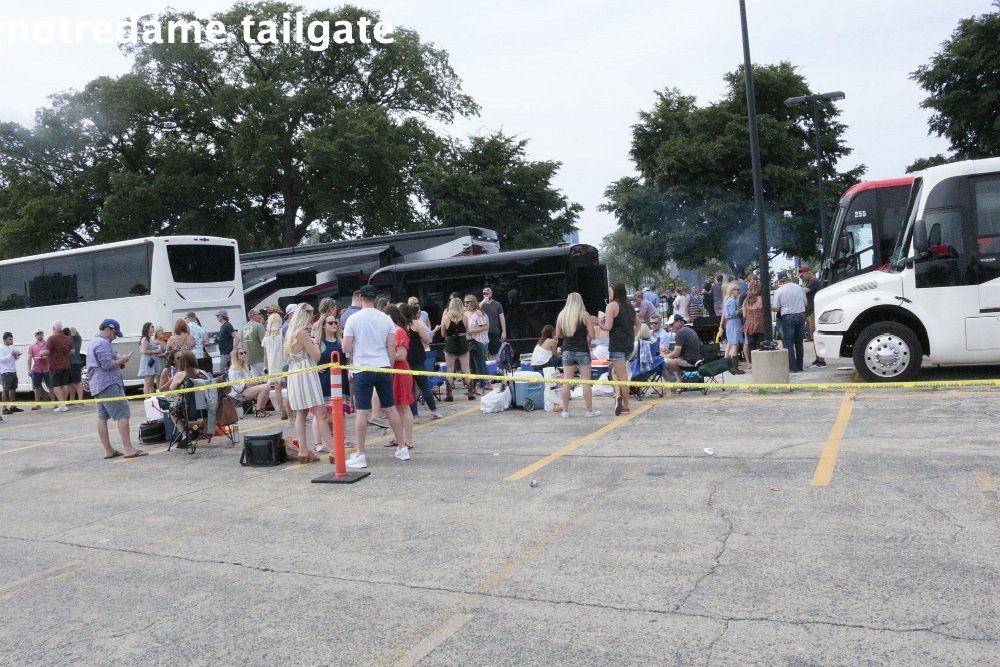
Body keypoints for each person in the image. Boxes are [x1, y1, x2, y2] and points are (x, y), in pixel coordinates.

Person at [343, 285, 408, 468]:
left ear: (361, 298)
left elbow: (346, 347)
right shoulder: (386, 319)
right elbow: (391, 347)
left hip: (362, 368)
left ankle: (361, 455)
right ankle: (402, 448)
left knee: (362, 412)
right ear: (375, 298)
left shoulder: (353, 319)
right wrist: (389, 367)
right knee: (391, 408)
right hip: (383, 366)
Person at [87, 319, 144, 459]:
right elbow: (107, 365)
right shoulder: (102, 343)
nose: (115, 337)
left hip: (97, 385)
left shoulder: (94, 341)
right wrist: (123, 360)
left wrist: (119, 362)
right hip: (108, 384)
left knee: (102, 417)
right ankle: (128, 449)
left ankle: (109, 450)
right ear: (109, 329)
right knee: (123, 414)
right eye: (115, 334)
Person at [284, 304, 332, 464]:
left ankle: (303, 451)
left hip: (295, 373)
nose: (313, 318)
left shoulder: (290, 332)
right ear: (305, 317)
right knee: (320, 412)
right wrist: (316, 343)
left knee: (301, 413)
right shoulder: (302, 333)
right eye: (311, 315)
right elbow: (317, 356)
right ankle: (333, 450)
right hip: (306, 372)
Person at [554, 292, 600, 418]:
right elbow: (592, 334)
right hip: (582, 350)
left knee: (566, 381)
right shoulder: (585, 315)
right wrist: (588, 340)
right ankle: (589, 411)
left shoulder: (562, 315)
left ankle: (565, 411)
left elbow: (558, 335)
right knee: (585, 381)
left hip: (567, 350)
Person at [600, 282, 638, 416]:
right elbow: (638, 324)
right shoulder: (630, 307)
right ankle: (617, 396)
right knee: (616, 372)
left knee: (622, 375)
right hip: (628, 344)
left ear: (615, 292)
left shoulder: (611, 306)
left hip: (617, 345)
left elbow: (608, 327)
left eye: (610, 291)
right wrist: (633, 336)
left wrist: (600, 323)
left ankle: (626, 405)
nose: (609, 294)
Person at [313, 313, 348, 451]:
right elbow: (311, 359)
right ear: (323, 326)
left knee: (341, 411)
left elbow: (348, 357)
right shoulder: (318, 342)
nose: (334, 325)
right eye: (330, 323)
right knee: (321, 414)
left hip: (341, 380)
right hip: (325, 382)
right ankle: (318, 443)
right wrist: (315, 369)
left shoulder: (340, 340)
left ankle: (340, 438)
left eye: (335, 322)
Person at [401, 303, 441, 420]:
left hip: (406, 359)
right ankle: (434, 411)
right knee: (424, 386)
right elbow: (427, 338)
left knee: (410, 389)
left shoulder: (399, 327)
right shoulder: (416, 324)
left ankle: (414, 415)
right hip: (417, 358)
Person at [384, 305, 416, 450]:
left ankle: (408, 439)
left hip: (400, 370)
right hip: (393, 370)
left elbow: (402, 355)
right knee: (395, 406)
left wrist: (385, 355)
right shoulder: (393, 332)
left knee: (403, 406)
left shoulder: (399, 332)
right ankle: (399, 437)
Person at [772, 271, 807, 372]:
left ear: (779, 280)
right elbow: (805, 303)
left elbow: (776, 308)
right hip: (801, 315)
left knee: (789, 343)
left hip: (788, 317)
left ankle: (792, 367)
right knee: (799, 343)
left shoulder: (779, 291)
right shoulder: (799, 288)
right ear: (788, 278)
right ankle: (800, 367)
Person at [441, 296, 474, 401]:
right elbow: (467, 331)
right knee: (466, 369)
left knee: (450, 370)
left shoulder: (446, 317)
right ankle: (470, 393)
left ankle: (449, 394)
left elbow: (443, 334)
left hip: (450, 343)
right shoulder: (464, 317)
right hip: (462, 342)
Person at [228, 346, 272, 417]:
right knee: (265, 387)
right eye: (241, 353)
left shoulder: (244, 366)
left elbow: (248, 380)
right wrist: (258, 382)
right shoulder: (234, 369)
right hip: (239, 392)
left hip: (247, 389)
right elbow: (242, 384)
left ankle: (262, 409)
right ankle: (258, 411)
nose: (244, 354)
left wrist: (257, 381)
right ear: (236, 356)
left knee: (268, 386)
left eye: (245, 352)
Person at [40, 321, 73, 411]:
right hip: (66, 365)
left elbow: (47, 351)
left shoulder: (52, 338)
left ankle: (62, 405)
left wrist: (41, 353)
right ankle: (64, 405)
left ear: (53, 328)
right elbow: (73, 350)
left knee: (56, 386)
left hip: (55, 365)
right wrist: (64, 354)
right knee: (65, 385)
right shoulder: (67, 339)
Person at [262, 312, 289, 420]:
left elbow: (265, 355)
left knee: (277, 389)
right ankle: (292, 409)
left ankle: (282, 410)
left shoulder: (266, 337)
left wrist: (266, 367)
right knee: (289, 388)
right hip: (283, 363)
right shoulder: (281, 335)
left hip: (273, 365)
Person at [799, 265, 827, 367]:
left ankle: (821, 361)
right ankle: (818, 359)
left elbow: (802, 291)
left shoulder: (814, 282)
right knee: (814, 336)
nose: (802, 278)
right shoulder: (810, 282)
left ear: (808, 273)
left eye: (802, 275)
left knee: (816, 336)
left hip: (814, 311)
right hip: (811, 311)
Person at [663, 314, 701, 384]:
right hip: (697, 360)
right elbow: (681, 352)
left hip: (690, 362)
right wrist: (670, 352)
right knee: (670, 359)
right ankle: (679, 382)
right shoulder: (688, 329)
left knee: (664, 362)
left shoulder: (680, 333)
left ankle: (672, 386)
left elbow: (676, 353)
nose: (671, 327)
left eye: (672, 324)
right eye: (670, 325)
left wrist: (664, 356)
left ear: (679, 321)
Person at [464, 295, 490, 393]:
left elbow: (485, 326)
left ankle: (481, 386)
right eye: (465, 302)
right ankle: (473, 386)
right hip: (468, 341)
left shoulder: (478, 312)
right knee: (471, 366)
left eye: (467, 302)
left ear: (472, 302)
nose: (465, 304)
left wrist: (473, 330)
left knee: (479, 364)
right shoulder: (465, 313)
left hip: (477, 341)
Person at [721, 283, 745, 374]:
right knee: (734, 345)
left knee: (732, 344)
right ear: (732, 291)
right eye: (737, 290)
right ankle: (734, 367)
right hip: (734, 322)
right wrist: (739, 310)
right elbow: (732, 313)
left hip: (731, 323)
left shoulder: (728, 300)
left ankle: (732, 366)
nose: (739, 291)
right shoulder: (732, 301)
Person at [741, 280, 765, 367]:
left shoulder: (746, 301)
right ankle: (763, 362)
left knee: (751, 344)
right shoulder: (762, 299)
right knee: (762, 343)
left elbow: (744, 315)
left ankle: (753, 362)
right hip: (761, 325)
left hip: (749, 325)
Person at [138, 322, 165, 395]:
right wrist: (155, 351)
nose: (153, 328)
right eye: (152, 327)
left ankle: (152, 399)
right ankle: (147, 399)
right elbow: (144, 350)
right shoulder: (145, 338)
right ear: (148, 328)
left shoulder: (150, 338)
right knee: (148, 382)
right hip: (148, 362)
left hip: (152, 362)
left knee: (152, 382)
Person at [480, 287, 507, 356]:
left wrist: (504, 331)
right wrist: (483, 302)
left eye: (487, 293)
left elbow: (502, 318)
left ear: (491, 294)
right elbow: (475, 311)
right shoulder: (481, 304)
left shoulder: (497, 304)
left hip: (494, 331)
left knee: (494, 351)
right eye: (484, 293)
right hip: (483, 332)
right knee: (484, 352)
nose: (486, 295)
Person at [0, 332, 22, 417]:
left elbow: (13, 359)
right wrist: (11, 355)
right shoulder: (1, 348)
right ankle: (4, 408)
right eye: (10, 339)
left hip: (13, 371)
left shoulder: (11, 347)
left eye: (12, 339)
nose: (11, 340)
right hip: (5, 372)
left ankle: (12, 406)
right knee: (5, 390)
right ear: (5, 340)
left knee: (13, 389)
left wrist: (17, 356)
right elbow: (1, 359)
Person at [27, 328, 49, 410]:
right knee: (37, 387)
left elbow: (51, 355)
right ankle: (37, 404)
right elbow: (29, 358)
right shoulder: (32, 346)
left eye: (41, 334)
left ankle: (55, 403)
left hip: (47, 368)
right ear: (35, 336)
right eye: (38, 334)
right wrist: (29, 369)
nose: (40, 335)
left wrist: (46, 357)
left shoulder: (47, 344)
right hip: (36, 369)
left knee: (50, 386)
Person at [240, 309, 266, 376]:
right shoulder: (259, 326)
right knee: (266, 380)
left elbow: (242, 344)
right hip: (261, 359)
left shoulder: (243, 328)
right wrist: (267, 357)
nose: (261, 316)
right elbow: (264, 344)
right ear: (253, 315)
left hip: (250, 359)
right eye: (259, 314)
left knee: (257, 381)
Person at [67, 326, 85, 403]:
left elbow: (72, 328)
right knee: (70, 383)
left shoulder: (77, 337)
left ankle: (80, 400)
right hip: (69, 363)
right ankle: (72, 400)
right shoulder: (71, 338)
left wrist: (67, 334)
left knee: (77, 382)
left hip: (75, 362)